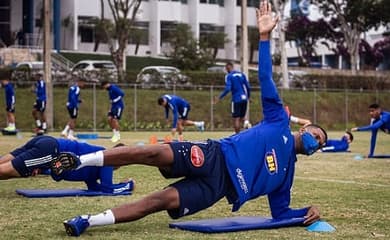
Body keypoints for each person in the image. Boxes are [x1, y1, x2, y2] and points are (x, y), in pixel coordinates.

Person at [52, 3, 328, 236]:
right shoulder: (279, 120)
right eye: (316, 134)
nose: (316, 141)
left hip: (216, 188)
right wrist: (265, 37)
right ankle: (80, 161)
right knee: (152, 152)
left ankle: (87, 220)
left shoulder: (286, 175)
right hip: (214, 155)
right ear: (305, 126)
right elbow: (266, 77)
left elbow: (281, 212)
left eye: (320, 144)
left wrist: (308, 211)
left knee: (159, 201)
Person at [0, 136, 134, 195]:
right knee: (5, 170)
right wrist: (128, 185)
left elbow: (94, 187)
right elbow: (107, 189)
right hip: (51, 150)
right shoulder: (107, 159)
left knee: (4, 171)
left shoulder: (96, 160)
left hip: (47, 142)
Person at [214, 62, 250, 134]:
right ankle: (247, 123)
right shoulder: (241, 74)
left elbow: (228, 88)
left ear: (227, 68)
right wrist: (248, 97)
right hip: (244, 99)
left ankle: (237, 136)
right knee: (242, 117)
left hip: (236, 99)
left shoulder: (229, 76)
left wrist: (219, 97)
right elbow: (248, 87)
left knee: (236, 118)